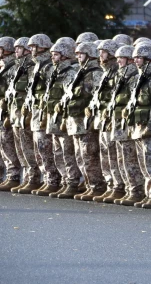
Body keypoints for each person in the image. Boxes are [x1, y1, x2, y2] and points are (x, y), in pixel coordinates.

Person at [125, 43, 151, 209]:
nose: (136, 60)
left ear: (148, 58)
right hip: (138, 125)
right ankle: (148, 193)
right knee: (143, 162)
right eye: (135, 57)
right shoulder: (140, 77)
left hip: (149, 126)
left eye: (139, 57)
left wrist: (150, 125)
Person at [65, 42, 104, 201]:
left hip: (87, 121)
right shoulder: (81, 71)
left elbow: (98, 96)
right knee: (81, 156)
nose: (78, 56)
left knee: (89, 154)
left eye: (81, 53)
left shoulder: (95, 72)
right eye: (77, 53)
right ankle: (89, 185)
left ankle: (96, 186)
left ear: (89, 54)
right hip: (77, 121)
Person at [43, 39, 81, 198]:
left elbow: (69, 96)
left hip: (64, 117)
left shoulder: (70, 73)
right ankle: (65, 180)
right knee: (57, 151)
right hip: (54, 116)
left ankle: (72, 182)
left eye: (56, 54)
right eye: (52, 54)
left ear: (65, 56)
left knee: (67, 151)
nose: (53, 57)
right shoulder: (55, 71)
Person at [21, 34, 59, 194]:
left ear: (42, 47)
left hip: (44, 112)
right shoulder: (38, 65)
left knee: (45, 148)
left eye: (34, 46)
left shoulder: (48, 65)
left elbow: (52, 91)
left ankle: (53, 180)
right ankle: (45, 178)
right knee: (38, 148)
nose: (31, 49)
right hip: (36, 111)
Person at [109, 45, 145, 206]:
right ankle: (129, 188)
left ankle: (136, 190)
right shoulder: (121, 74)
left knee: (130, 158)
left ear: (130, 59)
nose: (118, 61)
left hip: (128, 123)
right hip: (118, 121)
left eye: (121, 58)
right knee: (122, 157)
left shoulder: (134, 76)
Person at [91, 39, 125, 203]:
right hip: (103, 118)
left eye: (103, 52)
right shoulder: (106, 71)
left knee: (114, 155)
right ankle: (111, 185)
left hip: (113, 120)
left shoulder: (117, 72)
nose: (100, 55)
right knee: (106, 154)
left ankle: (119, 187)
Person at [5, 38, 41, 193]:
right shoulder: (17, 66)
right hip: (16, 111)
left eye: (19, 48)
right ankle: (26, 177)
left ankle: (33, 178)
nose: (16, 51)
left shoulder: (31, 67)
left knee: (28, 147)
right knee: (20, 147)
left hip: (25, 111)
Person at [0, 37, 22, 192]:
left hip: (8, 109)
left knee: (8, 144)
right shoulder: (4, 65)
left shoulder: (13, 66)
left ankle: (13, 176)